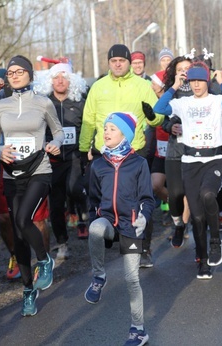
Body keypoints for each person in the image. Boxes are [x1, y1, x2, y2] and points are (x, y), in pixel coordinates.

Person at [0, 55, 64, 316]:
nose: (16, 75)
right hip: (12, 174)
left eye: (21, 71)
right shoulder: (0, 105)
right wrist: (0, 153)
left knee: (22, 219)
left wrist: (56, 144)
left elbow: (59, 131)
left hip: (39, 169)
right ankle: (28, 290)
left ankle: (44, 260)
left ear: (30, 74)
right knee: (19, 236)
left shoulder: (44, 103)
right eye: (11, 73)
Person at [79, 44, 164, 268]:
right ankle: (106, 234)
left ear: (129, 63)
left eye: (122, 60)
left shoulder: (142, 85)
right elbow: (88, 118)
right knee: (101, 198)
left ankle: (144, 247)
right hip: (103, 153)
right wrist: (82, 148)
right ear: (108, 63)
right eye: (113, 60)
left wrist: (152, 116)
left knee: (139, 201)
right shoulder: (98, 87)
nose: (118, 64)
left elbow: (158, 118)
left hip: (134, 152)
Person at [154, 61, 222, 279]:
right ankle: (202, 261)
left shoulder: (217, 100)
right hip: (190, 161)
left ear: (207, 81)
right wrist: (173, 85)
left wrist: (221, 82)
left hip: (214, 159)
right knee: (198, 217)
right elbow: (159, 109)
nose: (197, 85)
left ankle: (215, 241)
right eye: (193, 81)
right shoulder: (183, 102)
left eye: (201, 80)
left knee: (208, 194)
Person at [84, 112, 154, 346]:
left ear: (126, 134)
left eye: (112, 128)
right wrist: (96, 214)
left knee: (132, 279)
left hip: (131, 227)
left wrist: (143, 217)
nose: (106, 132)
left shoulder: (139, 163)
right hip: (107, 222)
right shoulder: (98, 164)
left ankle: (138, 330)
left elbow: (147, 198)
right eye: (105, 128)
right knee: (94, 228)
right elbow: (93, 199)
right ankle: (99, 277)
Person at [33, 61, 89, 257]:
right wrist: (46, 144)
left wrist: (87, 149)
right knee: (56, 205)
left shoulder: (79, 102)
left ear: (71, 81)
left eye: (64, 77)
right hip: (52, 160)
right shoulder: (45, 103)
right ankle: (63, 242)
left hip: (74, 157)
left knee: (75, 189)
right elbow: (37, 128)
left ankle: (86, 217)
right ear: (50, 81)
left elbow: (87, 127)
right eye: (56, 77)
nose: (60, 81)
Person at [160, 55, 193, 248]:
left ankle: (185, 224)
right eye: (181, 68)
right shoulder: (171, 91)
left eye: (188, 68)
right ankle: (178, 223)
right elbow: (161, 117)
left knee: (190, 192)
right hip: (174, 149)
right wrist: (169, 126)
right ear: (175, 71)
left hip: (194, 149)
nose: (184, 72)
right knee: (175, 193)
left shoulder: (201, 88)